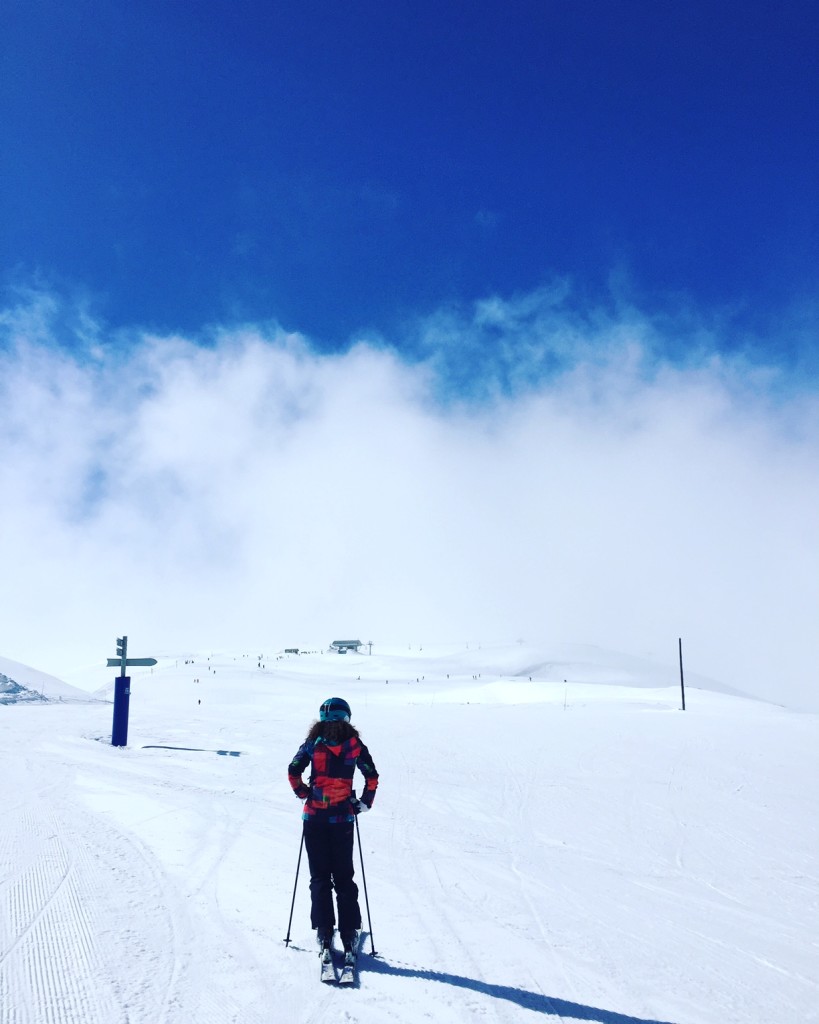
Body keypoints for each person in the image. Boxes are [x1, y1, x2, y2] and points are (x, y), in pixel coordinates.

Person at [287, 696, 379, 953]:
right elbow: (371, 776)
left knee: (319, 877)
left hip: (314, 818)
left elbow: (293, 770)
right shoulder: (354, 745)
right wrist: (364, 803)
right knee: (343, 876)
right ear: (346, 718)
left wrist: (305, 794)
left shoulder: (311, 744)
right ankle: (349, 930)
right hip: (342, 820)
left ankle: (324, 930)